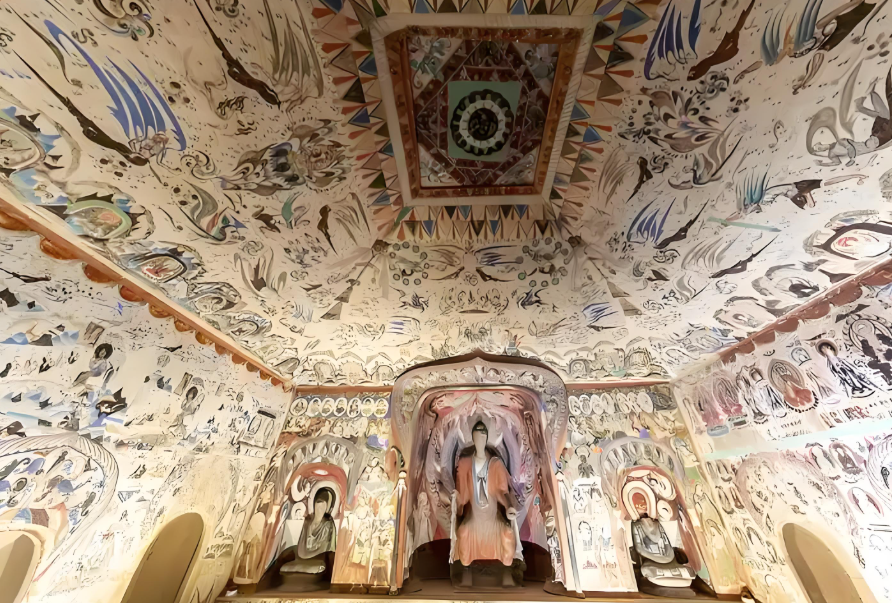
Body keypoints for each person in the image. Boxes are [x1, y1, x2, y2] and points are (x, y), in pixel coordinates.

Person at [452, 421, 517, 568]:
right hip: (475, 517)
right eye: (477, 435)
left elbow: (502, 492)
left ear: (487, 438)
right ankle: (467, 571)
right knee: (463, 533)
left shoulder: (496, 464)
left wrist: (509, 506)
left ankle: (505, 573)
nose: (480, 438)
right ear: (472, 437)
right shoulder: (465, 464)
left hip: (492, 517)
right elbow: (463, 496)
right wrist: (456, 499)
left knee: (508, 534)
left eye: (483, 435)